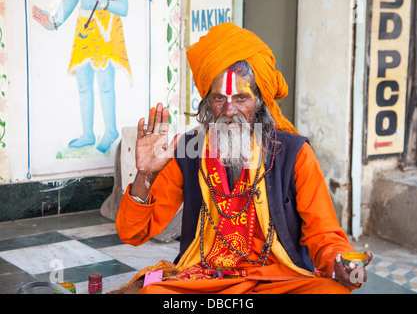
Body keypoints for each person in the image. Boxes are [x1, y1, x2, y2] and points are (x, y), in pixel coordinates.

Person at [115, 23, 372, 294]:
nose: (229, 109)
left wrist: (339, 263)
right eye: (219, 98)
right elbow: (132, 233)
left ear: (260, 101)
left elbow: (323, 234)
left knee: (332, 291)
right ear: (206, 103)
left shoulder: (294, 153)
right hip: (207, 277)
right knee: (154, 293)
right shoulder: (188, 150)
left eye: (241, 98)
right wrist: (144, 174)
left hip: (277, 279)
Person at [32, 0, 131, 153]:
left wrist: (106, 3)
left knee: (105, 85)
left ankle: (111, 130)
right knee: (83, 84)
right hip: (85, 25)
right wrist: (54, 21)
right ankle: (87, 134)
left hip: (105, 26)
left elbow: (124, 8)